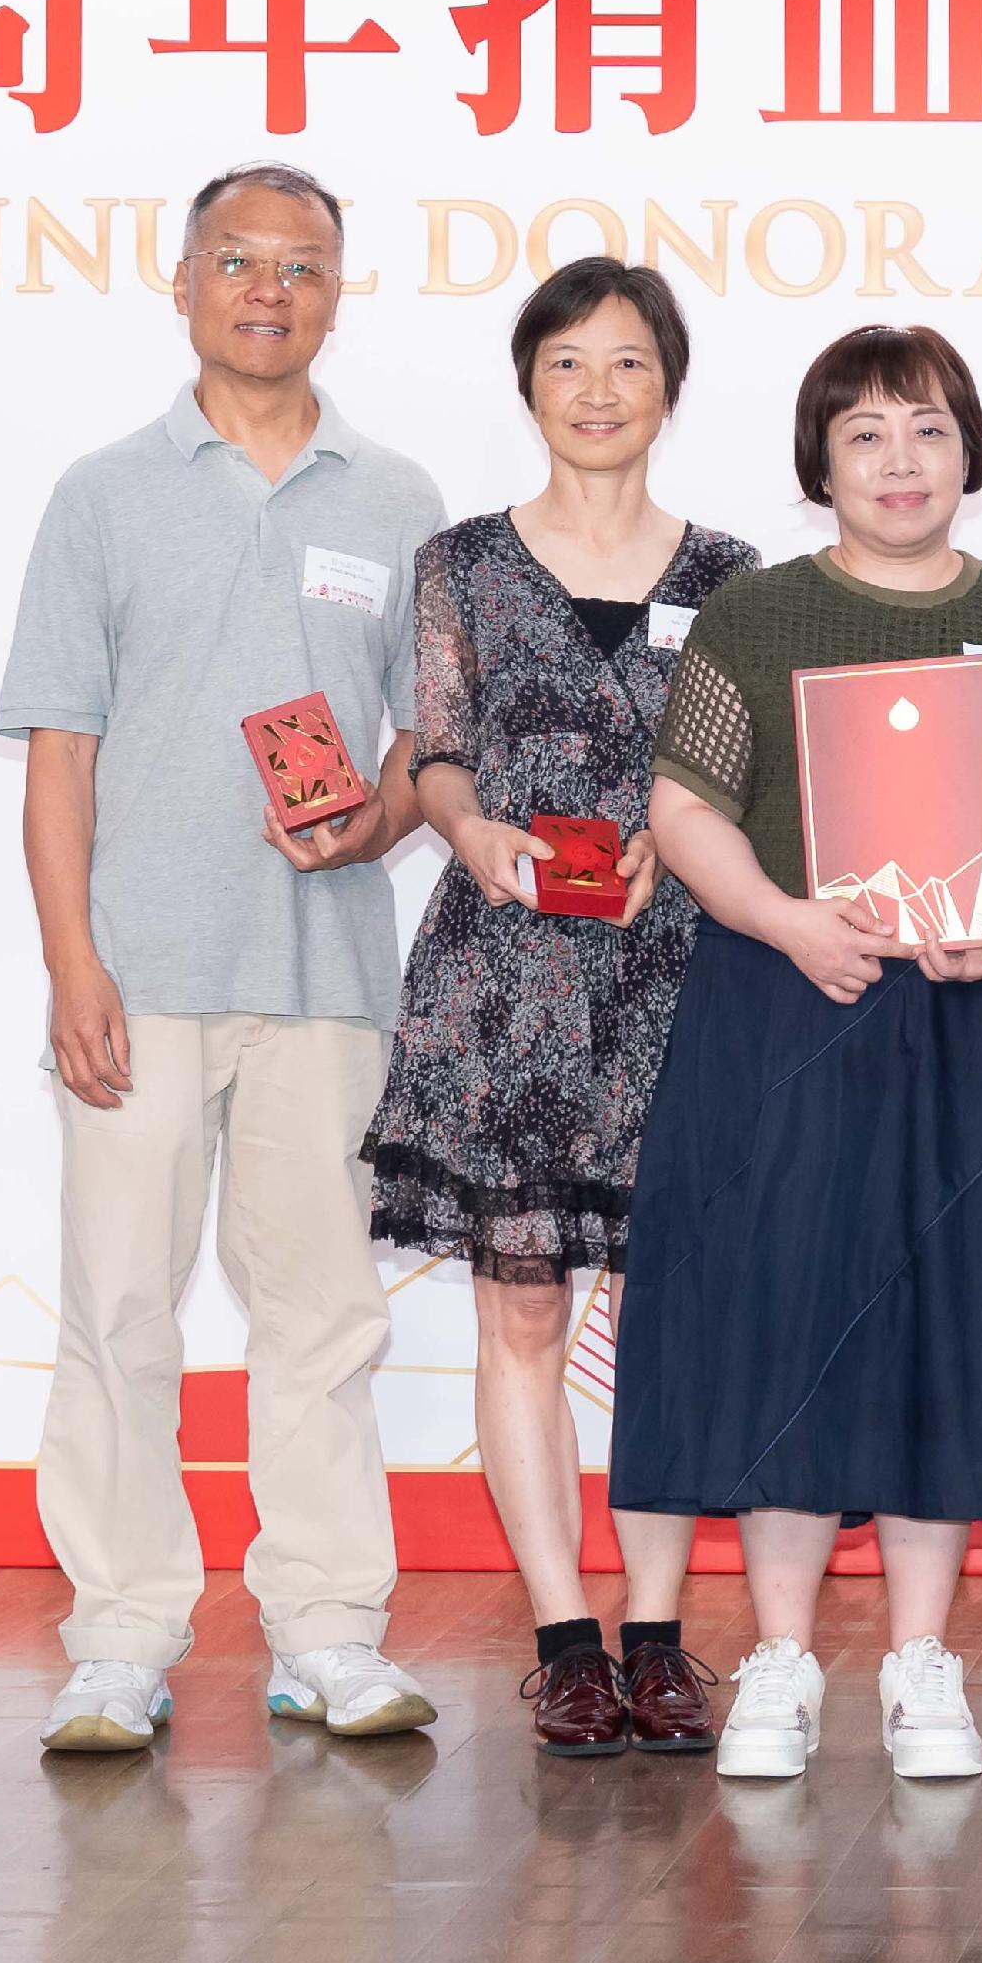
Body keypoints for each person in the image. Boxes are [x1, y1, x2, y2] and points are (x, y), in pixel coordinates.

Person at [607, 323, 982, 1782]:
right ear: (819, 464)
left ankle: (921, 1662)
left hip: (960, 1019)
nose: (901, 464)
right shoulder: (758, 618)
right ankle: (779, 1657)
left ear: (969, 451)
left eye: (929, 432)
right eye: (866, 437)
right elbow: (687, 807)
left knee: (944, 1327)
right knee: (783, 1325)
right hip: (788, 1009)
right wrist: (787, 921)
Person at [0, 162, 447, 1754]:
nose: (270, 291)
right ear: (180, 281)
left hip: (326, 976)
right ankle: (119, 1635)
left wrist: (377, 827)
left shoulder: (397, 502)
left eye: (303, 268)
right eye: (238, 263)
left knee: (321, 1316)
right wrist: (73, 969)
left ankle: (327, 1625)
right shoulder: (103, 493)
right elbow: (59, 757)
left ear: (340, 292)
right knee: (119, 1303)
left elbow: (425, 751)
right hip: (138, 975)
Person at [360, 258, 759, 1755]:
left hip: (680, 972)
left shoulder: (728, 577)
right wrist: (468, 835)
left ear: (671, 385)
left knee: (667, 1320)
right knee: (521, 1312)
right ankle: (565, 1637)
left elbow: (751, 772)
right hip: (504, 974)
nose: (599, 392)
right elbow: (440, 748)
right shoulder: (458, 560)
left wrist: (691, 838)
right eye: (570, 364)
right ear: (529, 384)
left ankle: (658, 1636)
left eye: (630, 365)